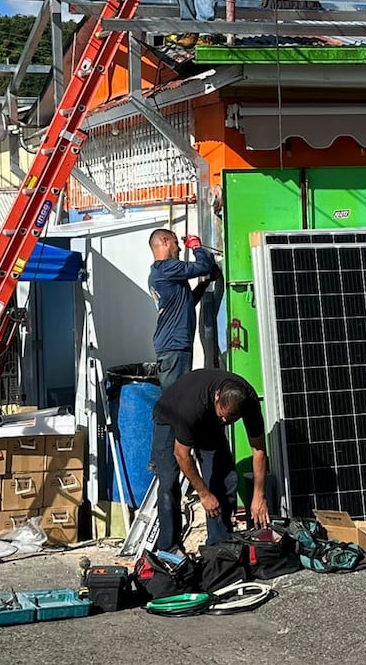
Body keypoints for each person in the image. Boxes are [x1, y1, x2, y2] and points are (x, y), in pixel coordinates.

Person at [150, 368, 270, 553]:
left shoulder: (249, 401)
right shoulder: (191, 408)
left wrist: (259, 496)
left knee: (224, 478)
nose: (224, 421)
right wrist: (204, 494)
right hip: (170, 415)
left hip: (206, 420)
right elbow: (182, 455)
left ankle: (219, 547)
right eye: (222, 416)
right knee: (168, 482)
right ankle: (169, 549)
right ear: (216, 396)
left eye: (230, 420)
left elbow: (259, 449)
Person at [147, 228, 216, 391]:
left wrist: (205, 283)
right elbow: (204, 266)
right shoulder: (167, 267)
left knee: (178, 396)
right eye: (176, 243)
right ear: (165, 241)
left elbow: (187, 302)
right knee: (175, 398)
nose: (179, 248)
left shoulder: (158, 272)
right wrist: (196, 246)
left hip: (173, 345)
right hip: (174, 345)